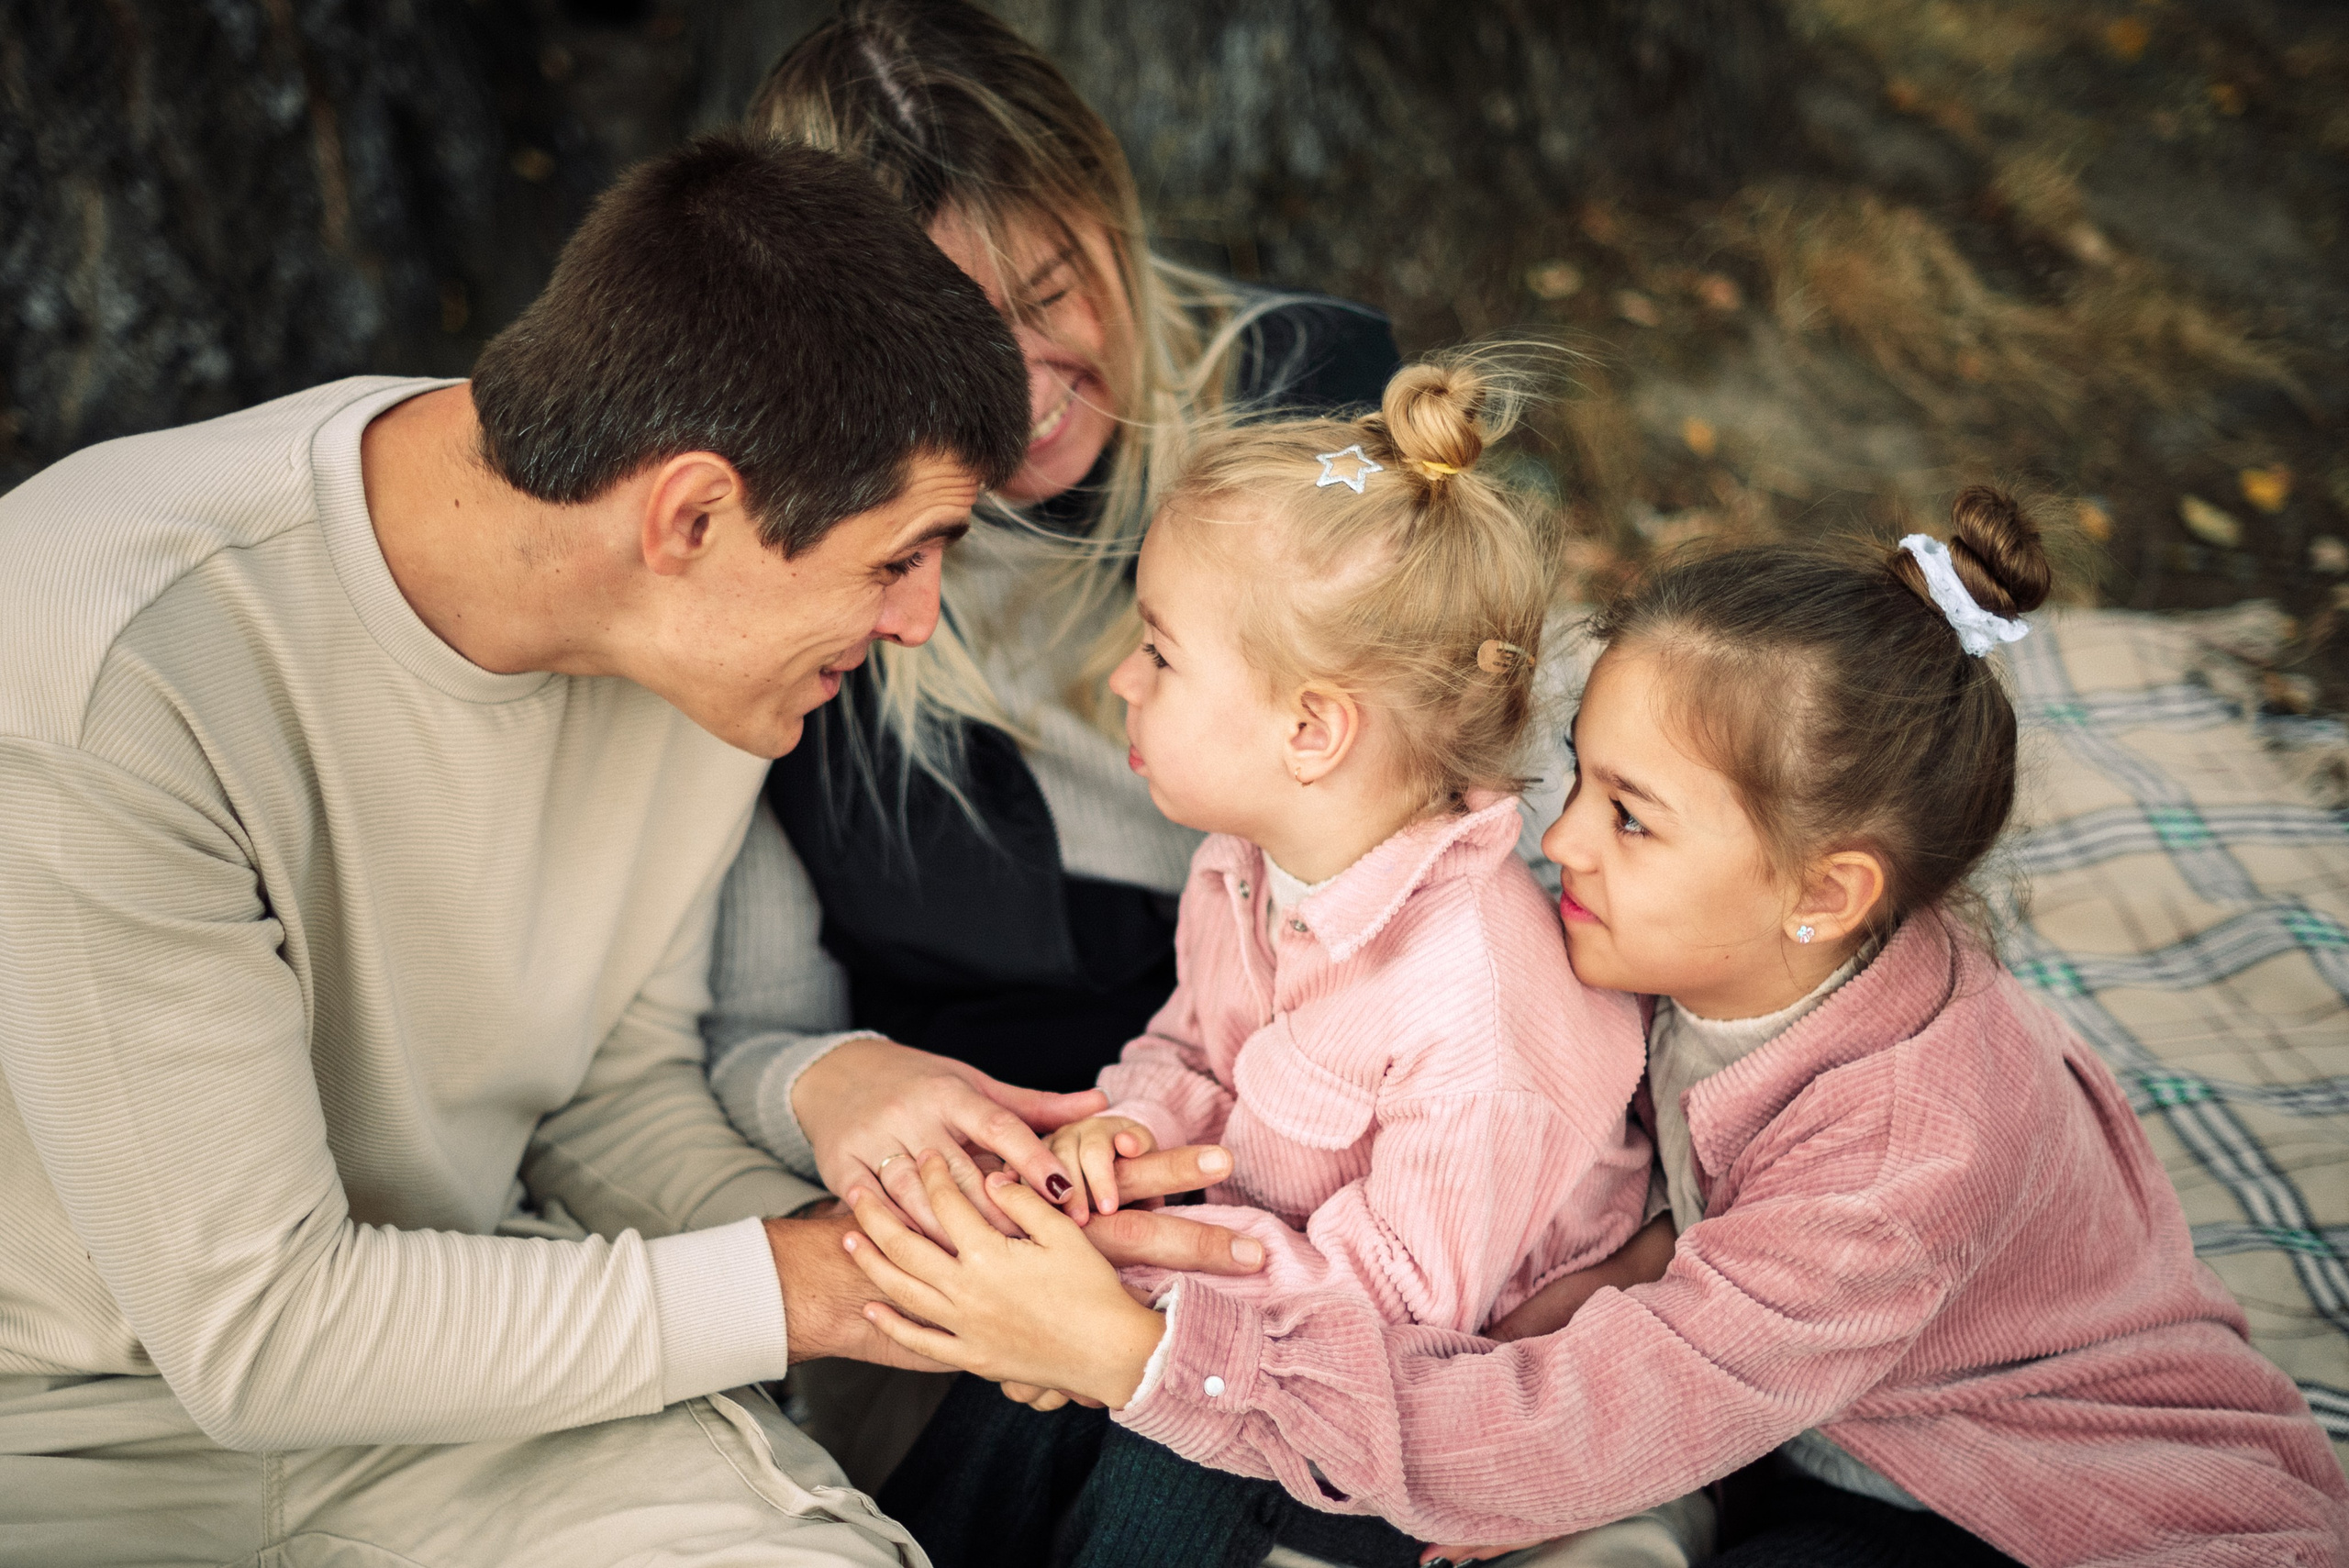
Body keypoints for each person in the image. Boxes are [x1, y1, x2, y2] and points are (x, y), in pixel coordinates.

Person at [0, 131, 1255, 1565]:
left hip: (495, 1396)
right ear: (693, 513)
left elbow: (606, 1106)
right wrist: (828, 1285)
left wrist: (938, 1255)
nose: (917, 622)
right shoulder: (105, 666)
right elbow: (263, 1333)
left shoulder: (703, 654)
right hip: (64, 1440)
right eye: (900, 555)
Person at [835, 490, 2349, 1566]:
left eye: (1633, 815)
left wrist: (1142, 1350)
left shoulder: (1917, 1137)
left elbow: (1610, 1396)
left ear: (1825, 890)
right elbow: (1680, 1202)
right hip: (1805, 1416)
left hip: (2024, 1507)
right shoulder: (1686, 948)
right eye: (1582, 774)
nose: (1559, 838)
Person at [866, 352, 1653, 1568]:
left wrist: (1142, 1290)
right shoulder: (1248, 858)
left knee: (1161, 1446)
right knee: (1021, 1375)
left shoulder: (1475, 1008)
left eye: (1162, 654)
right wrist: (1119, 1148)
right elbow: (1193, 1045)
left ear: (1310, 729)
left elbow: (1398, 1309)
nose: (1122, 679)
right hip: (1243, 1296)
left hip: (1398, 1410)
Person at [704, 0, 1404, 1247]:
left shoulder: (1321, 412)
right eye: (954, 343)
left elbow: (1513, 831)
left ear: (1110, 218)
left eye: (1052, 293)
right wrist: (830, 1084)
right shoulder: (785, 588)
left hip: (1374, 1181)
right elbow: (754, 1028)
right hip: (1000, 1213)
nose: (1025, 387)